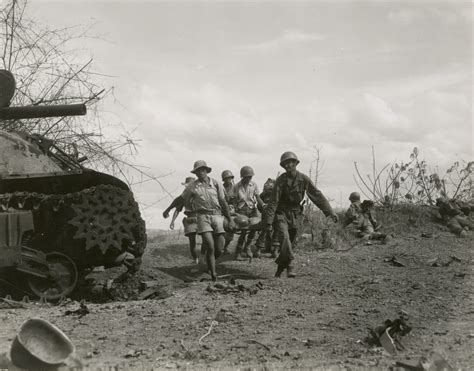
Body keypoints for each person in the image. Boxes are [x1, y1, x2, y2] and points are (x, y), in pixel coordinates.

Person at [265, 151, 338, 278]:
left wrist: (330, 211)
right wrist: (268, 222)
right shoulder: (280, 181)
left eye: (290, 163)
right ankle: (291, 265)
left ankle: (281, 266)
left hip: (295, 215)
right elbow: (273, 202)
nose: (288, 166)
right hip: (281, 214)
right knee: (285, 239)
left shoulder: (303, 179)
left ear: (295, 163)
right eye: (285, 164)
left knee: (289, 243)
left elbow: (317, 195)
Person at [181, 160, 235, 281]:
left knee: (219, 248)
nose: (200, 173)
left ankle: (209, 264)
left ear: (206, 171)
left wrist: (230, 219)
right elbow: (183, 199)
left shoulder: (216, 184)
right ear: (195, 173)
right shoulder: (192, 186)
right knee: (210, 246)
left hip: (217, 215)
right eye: (198, 171)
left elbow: (223, 202)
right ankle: (213, 274)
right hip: (202, 217)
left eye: (202, 170)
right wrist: (189, 209)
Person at [162, 177, 201, 264]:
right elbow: (178, 209)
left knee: (207, 238)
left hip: (201, 218)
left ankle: (204, 258)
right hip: (190, 219)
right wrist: (172, 221)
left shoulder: (201, 192)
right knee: (192, 241)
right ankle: (196, 259)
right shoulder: (184, 197)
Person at [231, 166, 264, 260]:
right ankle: (238, 253)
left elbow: (258, 197)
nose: (249, 178)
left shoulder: (254, 185)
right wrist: (233, 208)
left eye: (250, 176)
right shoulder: (236, 186)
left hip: (252, 209)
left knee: (254, 228)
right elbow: (232, 199)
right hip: (241, 210)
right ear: (242, 177)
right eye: (247, 176)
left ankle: (248, 247)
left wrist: (263, 205)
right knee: (244, 231)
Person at [254, 178, 280, 258]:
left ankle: (259, 249)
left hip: (268, 213)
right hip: (274, 213)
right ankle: (274, 250)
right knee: (275, 230)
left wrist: (263, 209)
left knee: (265, 230)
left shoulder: (264, 194)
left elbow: (259, 205)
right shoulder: (277, 193)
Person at [221, 170, 235, 255]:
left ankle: (225, 247)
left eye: (230, 178)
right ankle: (220, 247)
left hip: (232, 210)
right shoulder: (220, 188)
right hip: (222, 210)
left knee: (231, 230)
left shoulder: (235, 187)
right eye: (226, 178)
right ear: (224, 179)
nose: (228, 180)